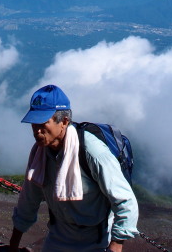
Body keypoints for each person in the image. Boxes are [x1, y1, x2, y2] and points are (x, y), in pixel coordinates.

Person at [9, 84, 139, 252]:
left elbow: (126, 201)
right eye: (33, 122)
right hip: (58, 237)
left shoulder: (91, 151)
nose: (37, 130)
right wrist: (12, 246)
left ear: (64, 121)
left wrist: (116, 245)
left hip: (98, 241)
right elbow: (28, 202)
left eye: (43, 122)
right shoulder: (39, 154)